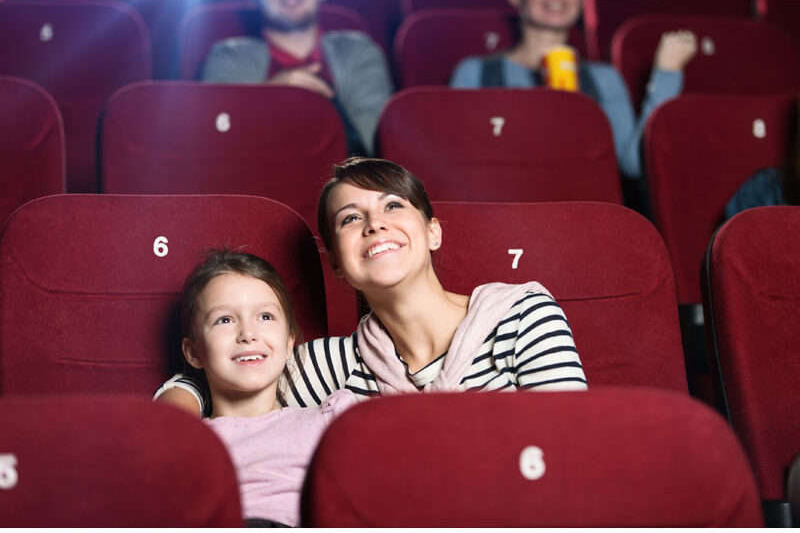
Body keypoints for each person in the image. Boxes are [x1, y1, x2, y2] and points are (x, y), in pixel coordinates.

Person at [156, 157, 587, 415]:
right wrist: (181, 408)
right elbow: (221, 374)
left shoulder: (521, 314)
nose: (374, 224)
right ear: (338, 265)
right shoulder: (328, 367)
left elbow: (573, 447)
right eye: (349, 218)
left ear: (433, 232)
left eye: (393, 206)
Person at [172, 248, 357, 526]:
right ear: (194, 352)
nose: (248, 334)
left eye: (265, 317)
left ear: (288, 345)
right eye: (225, 320)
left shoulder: (330, 420)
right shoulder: (184, 442)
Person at [449, 0, 697, 182]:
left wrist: (667, 73)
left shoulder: (604, 79)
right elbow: (459, 163)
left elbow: (632, 164)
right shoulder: (476, 73)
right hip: (501, 208)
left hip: (582, 212)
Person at [201, 0, 393, 156]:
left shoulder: (358, 50)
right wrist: (267, 97)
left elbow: (374, 147)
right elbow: (216, 139)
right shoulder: (227, 56)